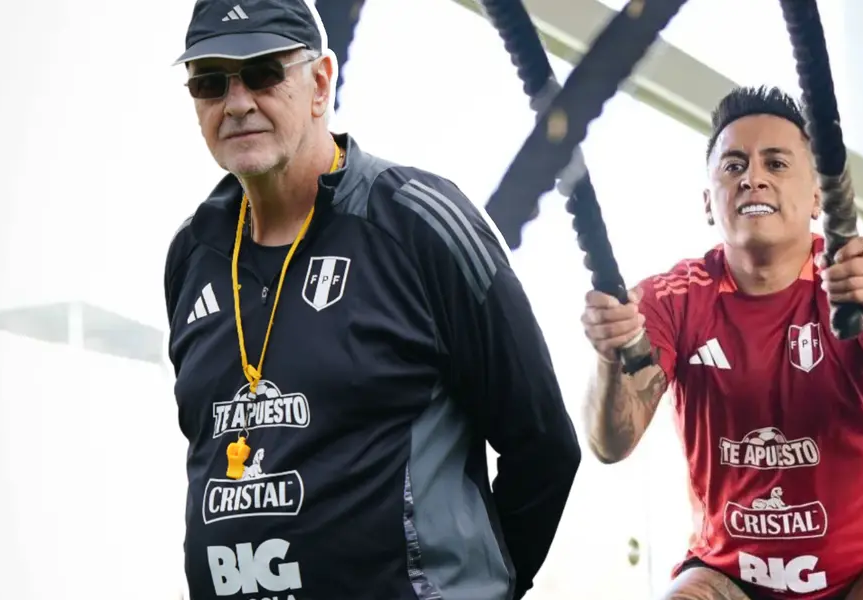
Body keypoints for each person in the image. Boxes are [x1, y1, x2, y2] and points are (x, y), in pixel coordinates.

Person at [164, 1, 580, 598]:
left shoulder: (418, 222)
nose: (236, 103)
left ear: (320, 81)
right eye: (210, 81)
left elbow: (542, 445)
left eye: (263, 73)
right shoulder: (191, 253)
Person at [580, 86, 863, 600]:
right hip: (728, 573)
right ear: (709, 202)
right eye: (733, 166)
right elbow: (611, 445)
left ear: (818, 195)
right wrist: (607, 358)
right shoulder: (672, 300)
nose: (753, 177)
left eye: (776, 164)